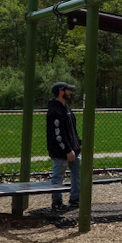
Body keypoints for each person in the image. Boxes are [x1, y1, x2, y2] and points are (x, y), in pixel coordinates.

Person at [47, 82, 82, 212]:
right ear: (61, 92)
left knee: (77, 173)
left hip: (73, 150)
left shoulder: (66, 108)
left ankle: (75, 199)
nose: (70, 93)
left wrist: (78, 144)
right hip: (61, 152)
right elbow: (58, 135)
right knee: (58, 177)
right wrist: (67, 150)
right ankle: (57, 203)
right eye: (68, 90)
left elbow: (72, 129)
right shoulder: (54, 111)